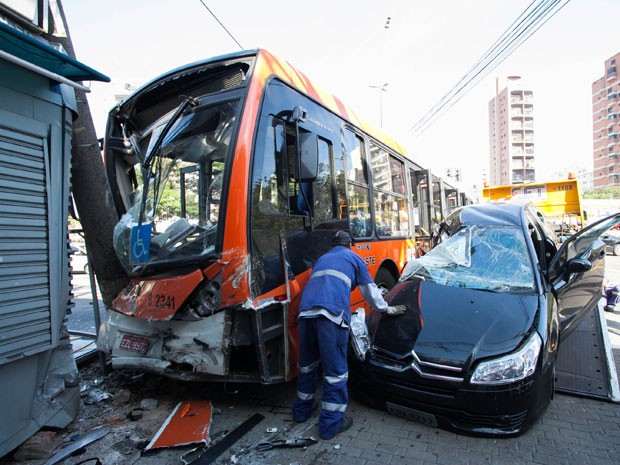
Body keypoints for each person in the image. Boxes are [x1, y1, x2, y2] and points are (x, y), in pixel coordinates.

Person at [292, 230, 406, 440]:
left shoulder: (322, 259)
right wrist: (385, 309)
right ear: (350, 245)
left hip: (306, 313)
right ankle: (330, 425)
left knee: (308, 365)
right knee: (336, 371)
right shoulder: (353, 257)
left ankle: (302, 411)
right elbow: (369, 290)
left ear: (333, 245)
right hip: (331, 315)